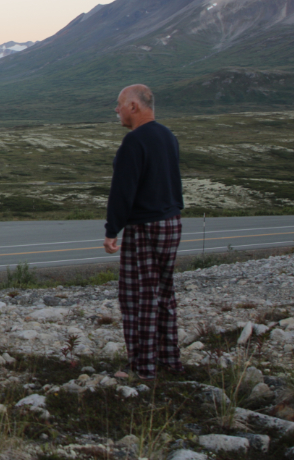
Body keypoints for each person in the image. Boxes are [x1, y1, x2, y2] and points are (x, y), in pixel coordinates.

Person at [103, 84, 184, 380]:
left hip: (145, 227)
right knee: (163, 292)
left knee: (139, 296)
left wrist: (113, 230)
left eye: (120, 104)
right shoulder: (168, 136)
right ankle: (169, 359)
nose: (117, 110)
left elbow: (123, 191)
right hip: (171, 222)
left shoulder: (134, 142)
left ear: (134, 107)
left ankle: (144, 366)